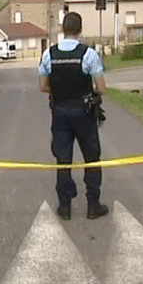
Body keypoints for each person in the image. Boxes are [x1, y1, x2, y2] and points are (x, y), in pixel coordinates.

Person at [38, 11, 108, 221]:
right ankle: (93, 205)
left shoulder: (48, 54)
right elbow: (102, 88)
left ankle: (65, 206)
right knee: (92, 158)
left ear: (62, 29)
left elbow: (42, 86)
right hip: (84, 112)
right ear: (80, 30)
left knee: (63, 159)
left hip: (60, 112)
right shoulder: (89, 54)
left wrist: (59, 91)